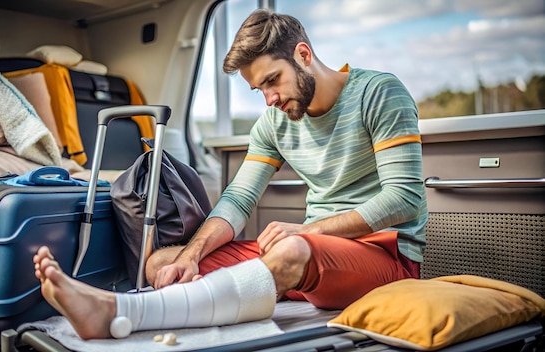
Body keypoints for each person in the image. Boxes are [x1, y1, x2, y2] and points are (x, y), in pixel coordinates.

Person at [33, 8, 428, 340]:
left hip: (385, 257)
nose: (270, 99)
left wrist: (309, 231)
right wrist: (191, 255)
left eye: (272, 80)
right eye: (259, 89)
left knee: (290, 249)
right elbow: (238, 199)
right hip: (312, 257)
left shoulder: (379, 93)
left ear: (304, 55)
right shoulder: (274, 122)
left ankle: (117, 312)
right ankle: (142, 302)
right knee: (163, 262)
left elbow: (404, 198)